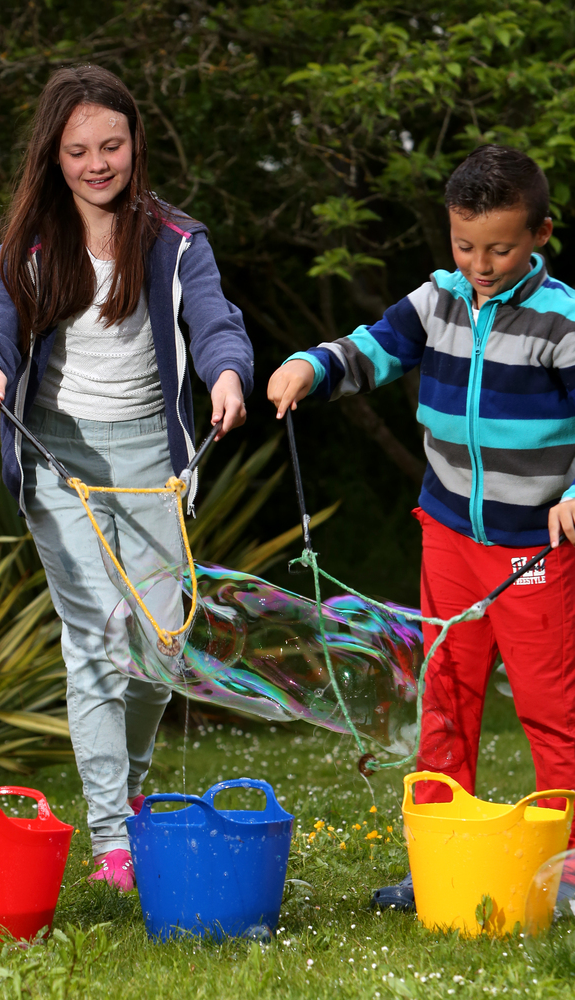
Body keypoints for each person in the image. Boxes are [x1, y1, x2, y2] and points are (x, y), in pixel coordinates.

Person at [0, 65, 253, 891]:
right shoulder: (30, 249)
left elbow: (215, 322)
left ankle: (131, 786)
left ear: (134, 144)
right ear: (54, 156)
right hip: (58, 457)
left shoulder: (176, 241)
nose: (96, 164)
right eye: (78, 150)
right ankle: (113, 842)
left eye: (110, 146)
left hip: (152, 457)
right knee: (93, 639)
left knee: (162, 640)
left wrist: (228, 374)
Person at [267, 144, 575, 911]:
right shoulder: (436, 300)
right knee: (445, 699)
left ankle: (568, 867)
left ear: (538, 234)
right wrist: (312, 365)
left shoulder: (562, 320)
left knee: (552, 708)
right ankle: (436, 859)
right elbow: (372, 348)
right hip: (447, 537)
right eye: (464, 245)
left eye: (498, 248)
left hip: (534, 550)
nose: (480, 265)